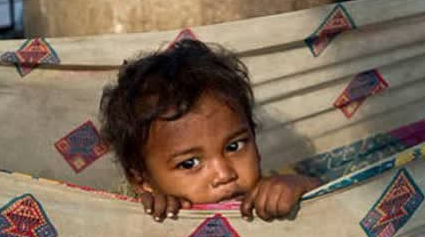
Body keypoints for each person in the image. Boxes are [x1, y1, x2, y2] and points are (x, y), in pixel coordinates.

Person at [99, 39, 321, 222]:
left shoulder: (270, 196)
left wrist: (307, 191)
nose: (224, 175)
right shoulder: (135, 215)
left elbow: (339, 217)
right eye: (189, 163)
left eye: (234, 147)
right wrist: (143, 220)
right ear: (141, 180)